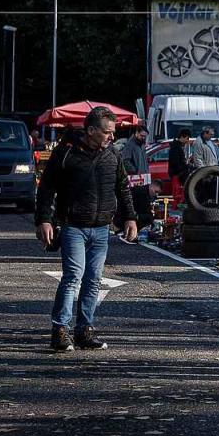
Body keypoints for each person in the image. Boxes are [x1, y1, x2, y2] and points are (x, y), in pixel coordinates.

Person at [35, 106, 138, 352]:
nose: (111, 137)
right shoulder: (66, 152)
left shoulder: (112, 153)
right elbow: (47, 187)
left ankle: (84, 330)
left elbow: (122, 188)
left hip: (101, 228)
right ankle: (60, 330)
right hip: (73, 227)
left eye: (113, 132)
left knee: (93, 281)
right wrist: (44, 220)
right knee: (72, 277)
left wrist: (130, 218)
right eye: (106, 132)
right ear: (90, 130)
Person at [117, 123, 153, 227]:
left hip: (143, 181)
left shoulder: (141, 144)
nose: (143, 138)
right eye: (142, 136)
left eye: (145, 136)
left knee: (143, 205)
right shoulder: (130, 145)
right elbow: (125, 161)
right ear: (136, 133)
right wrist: (135, 171)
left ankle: (141, 226)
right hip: (136, 182)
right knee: (138, 205)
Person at [167, 128, 194, 201]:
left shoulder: (177, 147)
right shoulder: (176, 148)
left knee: (178, 193)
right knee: (177, 194)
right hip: (178, 174)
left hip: (178, 174)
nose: (187, 141)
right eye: (187, 138)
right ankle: (176, 208)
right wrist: (186, 166)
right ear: (182, 137)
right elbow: (176, 162)